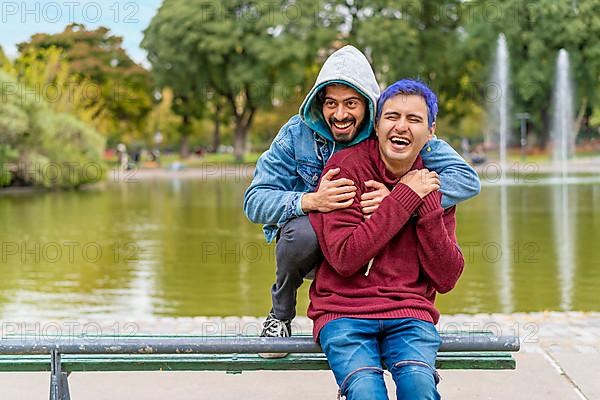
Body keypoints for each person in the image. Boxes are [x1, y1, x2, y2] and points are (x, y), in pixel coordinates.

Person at [243, 45, 479, 347]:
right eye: (330, 103)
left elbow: (466, 179)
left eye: (351, 103)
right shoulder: (296, 134)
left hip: (372, 248)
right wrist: (311, 200)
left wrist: (398, 198)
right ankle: (281, 314)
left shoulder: (393, 128)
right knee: (300, 233)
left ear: (370, 106)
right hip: (319, 246)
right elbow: (254, 201)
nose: (340, 114)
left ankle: (391, 317)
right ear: (318, 104)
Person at [308, 79, 467, 399]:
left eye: (414, 119)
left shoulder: (434, 179)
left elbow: (447, 276)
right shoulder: (346, 169)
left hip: (409, 312)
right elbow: (345, 257)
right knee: (365, 390)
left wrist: (425, 205)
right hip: (344, 312)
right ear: (377, 125)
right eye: (392, 116)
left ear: (431, 131)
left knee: (419, 386)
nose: (402, 126)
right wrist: (405, 197)